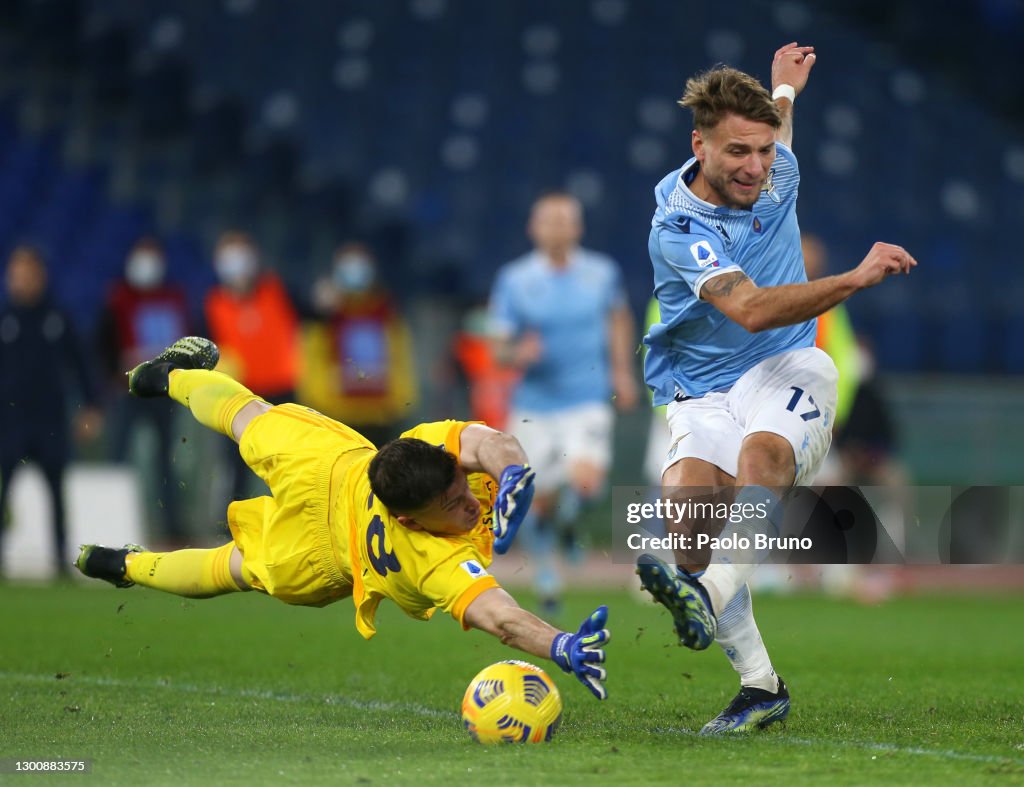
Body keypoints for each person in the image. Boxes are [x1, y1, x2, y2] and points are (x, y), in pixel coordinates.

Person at [636, 43, 917, 734]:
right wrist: (852, 278)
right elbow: (752, 307)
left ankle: (705, 594)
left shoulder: (777, 168)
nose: (756, 167)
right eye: (737, 152)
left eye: (764, 150)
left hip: (790, 367)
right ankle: (760, 686)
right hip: (702, 389)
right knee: (688, 523)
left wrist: (784, 90)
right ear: (698, 145)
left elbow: (776, 130)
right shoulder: (677, 227)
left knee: (763, 458)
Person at [75, 337, 610, 699]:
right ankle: (164, 384)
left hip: (327, 500)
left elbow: (493, 442)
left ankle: (126, 559)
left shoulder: (423, 445)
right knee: (232, 540)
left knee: (245, 445)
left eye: (458, 486)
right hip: (325, 521)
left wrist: (513, 476)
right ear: (413, 521)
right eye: (451, 506)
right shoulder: (430, 557)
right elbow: (503, 619)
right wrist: (561, 645)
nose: (468, 503)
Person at [488, 191, 639, 613]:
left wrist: (622, 373)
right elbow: (498, 347)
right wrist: (517, 355)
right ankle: (546, 569)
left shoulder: (601, 273)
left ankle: (570, 527)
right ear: (533, 228)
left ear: (578, 227)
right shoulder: (515, 279)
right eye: (548, 220)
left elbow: (618, 319)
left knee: (587, 484)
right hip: (535, 404)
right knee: (537, 498)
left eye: (564, 220)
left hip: (586, 398)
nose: (557, 227)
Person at [0, 246, 102, 577]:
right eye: (17, 274)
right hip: (9, 421)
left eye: (28, 273)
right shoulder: (4, 318)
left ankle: (60, 560)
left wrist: (92, 406)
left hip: (50, 421)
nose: (23, 281)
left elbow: (83, 364)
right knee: (3, 490)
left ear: (40, 277)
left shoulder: (58, 317)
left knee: (57, 493)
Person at [97, 236, 191, 544]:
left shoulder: (174, 296)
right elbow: (103, 342)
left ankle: (171, 529)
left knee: (167, 461)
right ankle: (108, 524)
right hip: (128, 391)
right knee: (117, 457)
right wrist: (113, 375)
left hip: (165, 391)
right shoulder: (118, 298)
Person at [204, 230, 300, 503]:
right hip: (238, 396)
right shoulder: (213, 303)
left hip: (282, 393)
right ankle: (234, 530)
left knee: (289, 464)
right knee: (236, 468)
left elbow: (313, 315)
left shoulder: (277, 291)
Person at [300, 242, 419, 448]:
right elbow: (312, 360)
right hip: (339, 415)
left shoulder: (385, 310)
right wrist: (320, 401)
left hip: (381, 415)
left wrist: (400, 400)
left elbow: (400, 356)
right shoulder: (325, 316)